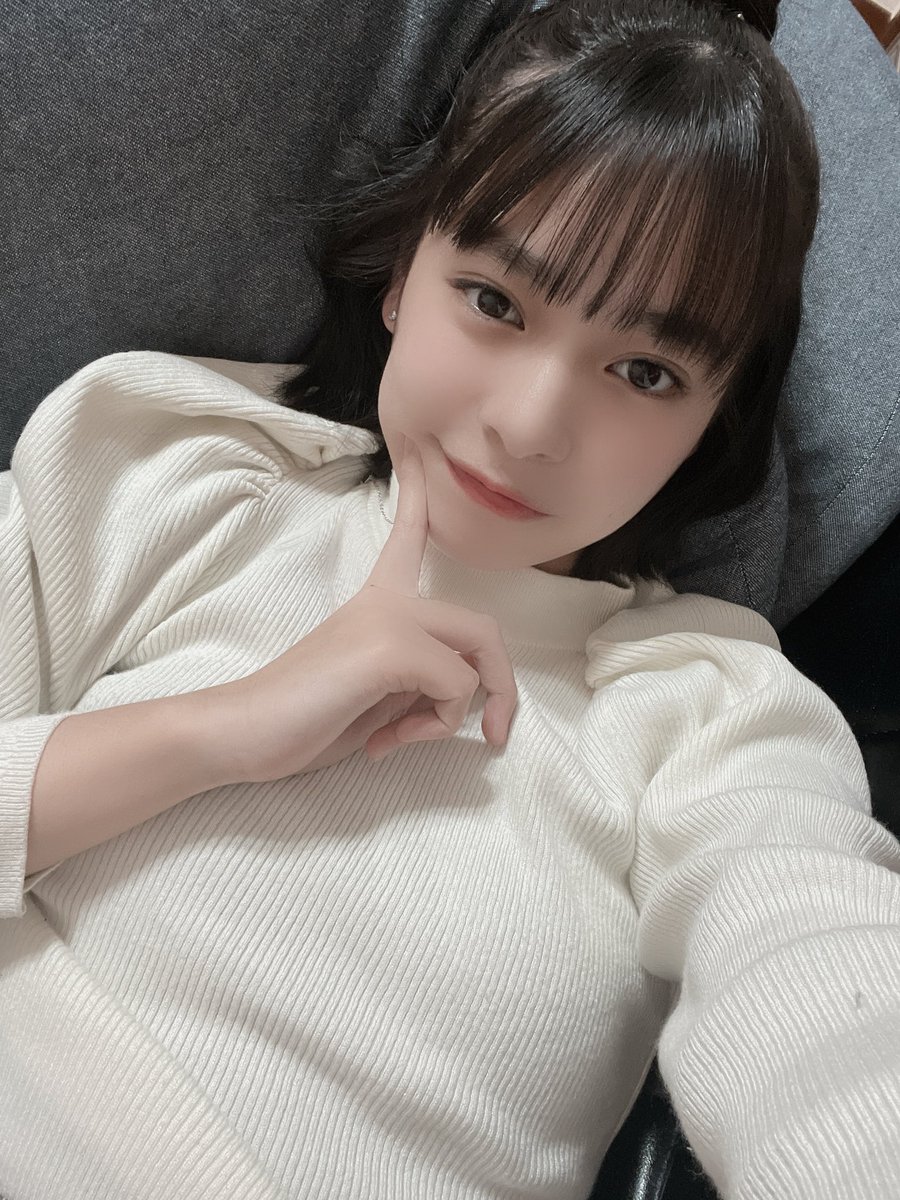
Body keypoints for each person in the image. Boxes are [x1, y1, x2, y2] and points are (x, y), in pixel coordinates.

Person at [1, 0, 898, 1197]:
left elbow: (827, 989)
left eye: (645, 371)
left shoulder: (709, 712)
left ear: (713, 420)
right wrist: (222, 728)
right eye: (495, 300)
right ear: (402, 273)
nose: (528, 425)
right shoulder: (175, 466)